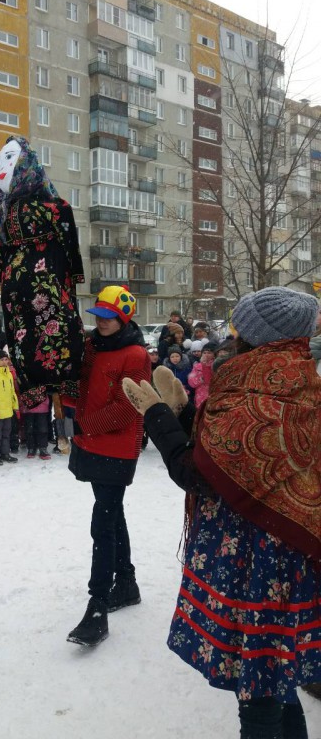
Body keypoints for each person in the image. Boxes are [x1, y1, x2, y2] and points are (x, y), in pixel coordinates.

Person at [122, 286, 321, 739]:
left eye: (238, 328)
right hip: (286, 558)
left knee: (258, 692)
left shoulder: (258, 394)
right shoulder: (297, 377)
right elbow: (228, 451)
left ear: (257, 337)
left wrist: (156, 416)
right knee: (275, 677)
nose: (231, 337)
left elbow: (198, 472)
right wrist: (184, 410)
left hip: (256, 564)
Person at [66, 285, 150, 647]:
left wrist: (87, 424)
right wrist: (65, 393)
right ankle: (127, 583)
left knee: (103, 522)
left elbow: (131, 404)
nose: (101, 323)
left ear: (123, 318)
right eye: (98, 316)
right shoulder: (90, 348)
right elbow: (79, 390)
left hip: (116, 447)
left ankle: (97, 603)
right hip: (88, 442)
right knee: (113, 516)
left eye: (108, 317)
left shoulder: (135, 354)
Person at [0, 136, 85, 408]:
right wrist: (74, 277)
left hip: (14, 285)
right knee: (61, 328)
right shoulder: (57, 209)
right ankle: (64, 382)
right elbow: (70, 247)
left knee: (22, 333)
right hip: (47, 281)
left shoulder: (2, 213)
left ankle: (35, 387)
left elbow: (1, 255)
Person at [187, 342, 218, 407]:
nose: (206, 355)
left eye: (209, 353)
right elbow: (191, 382)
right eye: (204, 353)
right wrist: (201, 379)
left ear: (214, 354)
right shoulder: (197, 366)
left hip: (213, 395)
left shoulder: (216, 365)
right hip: (200, 397)